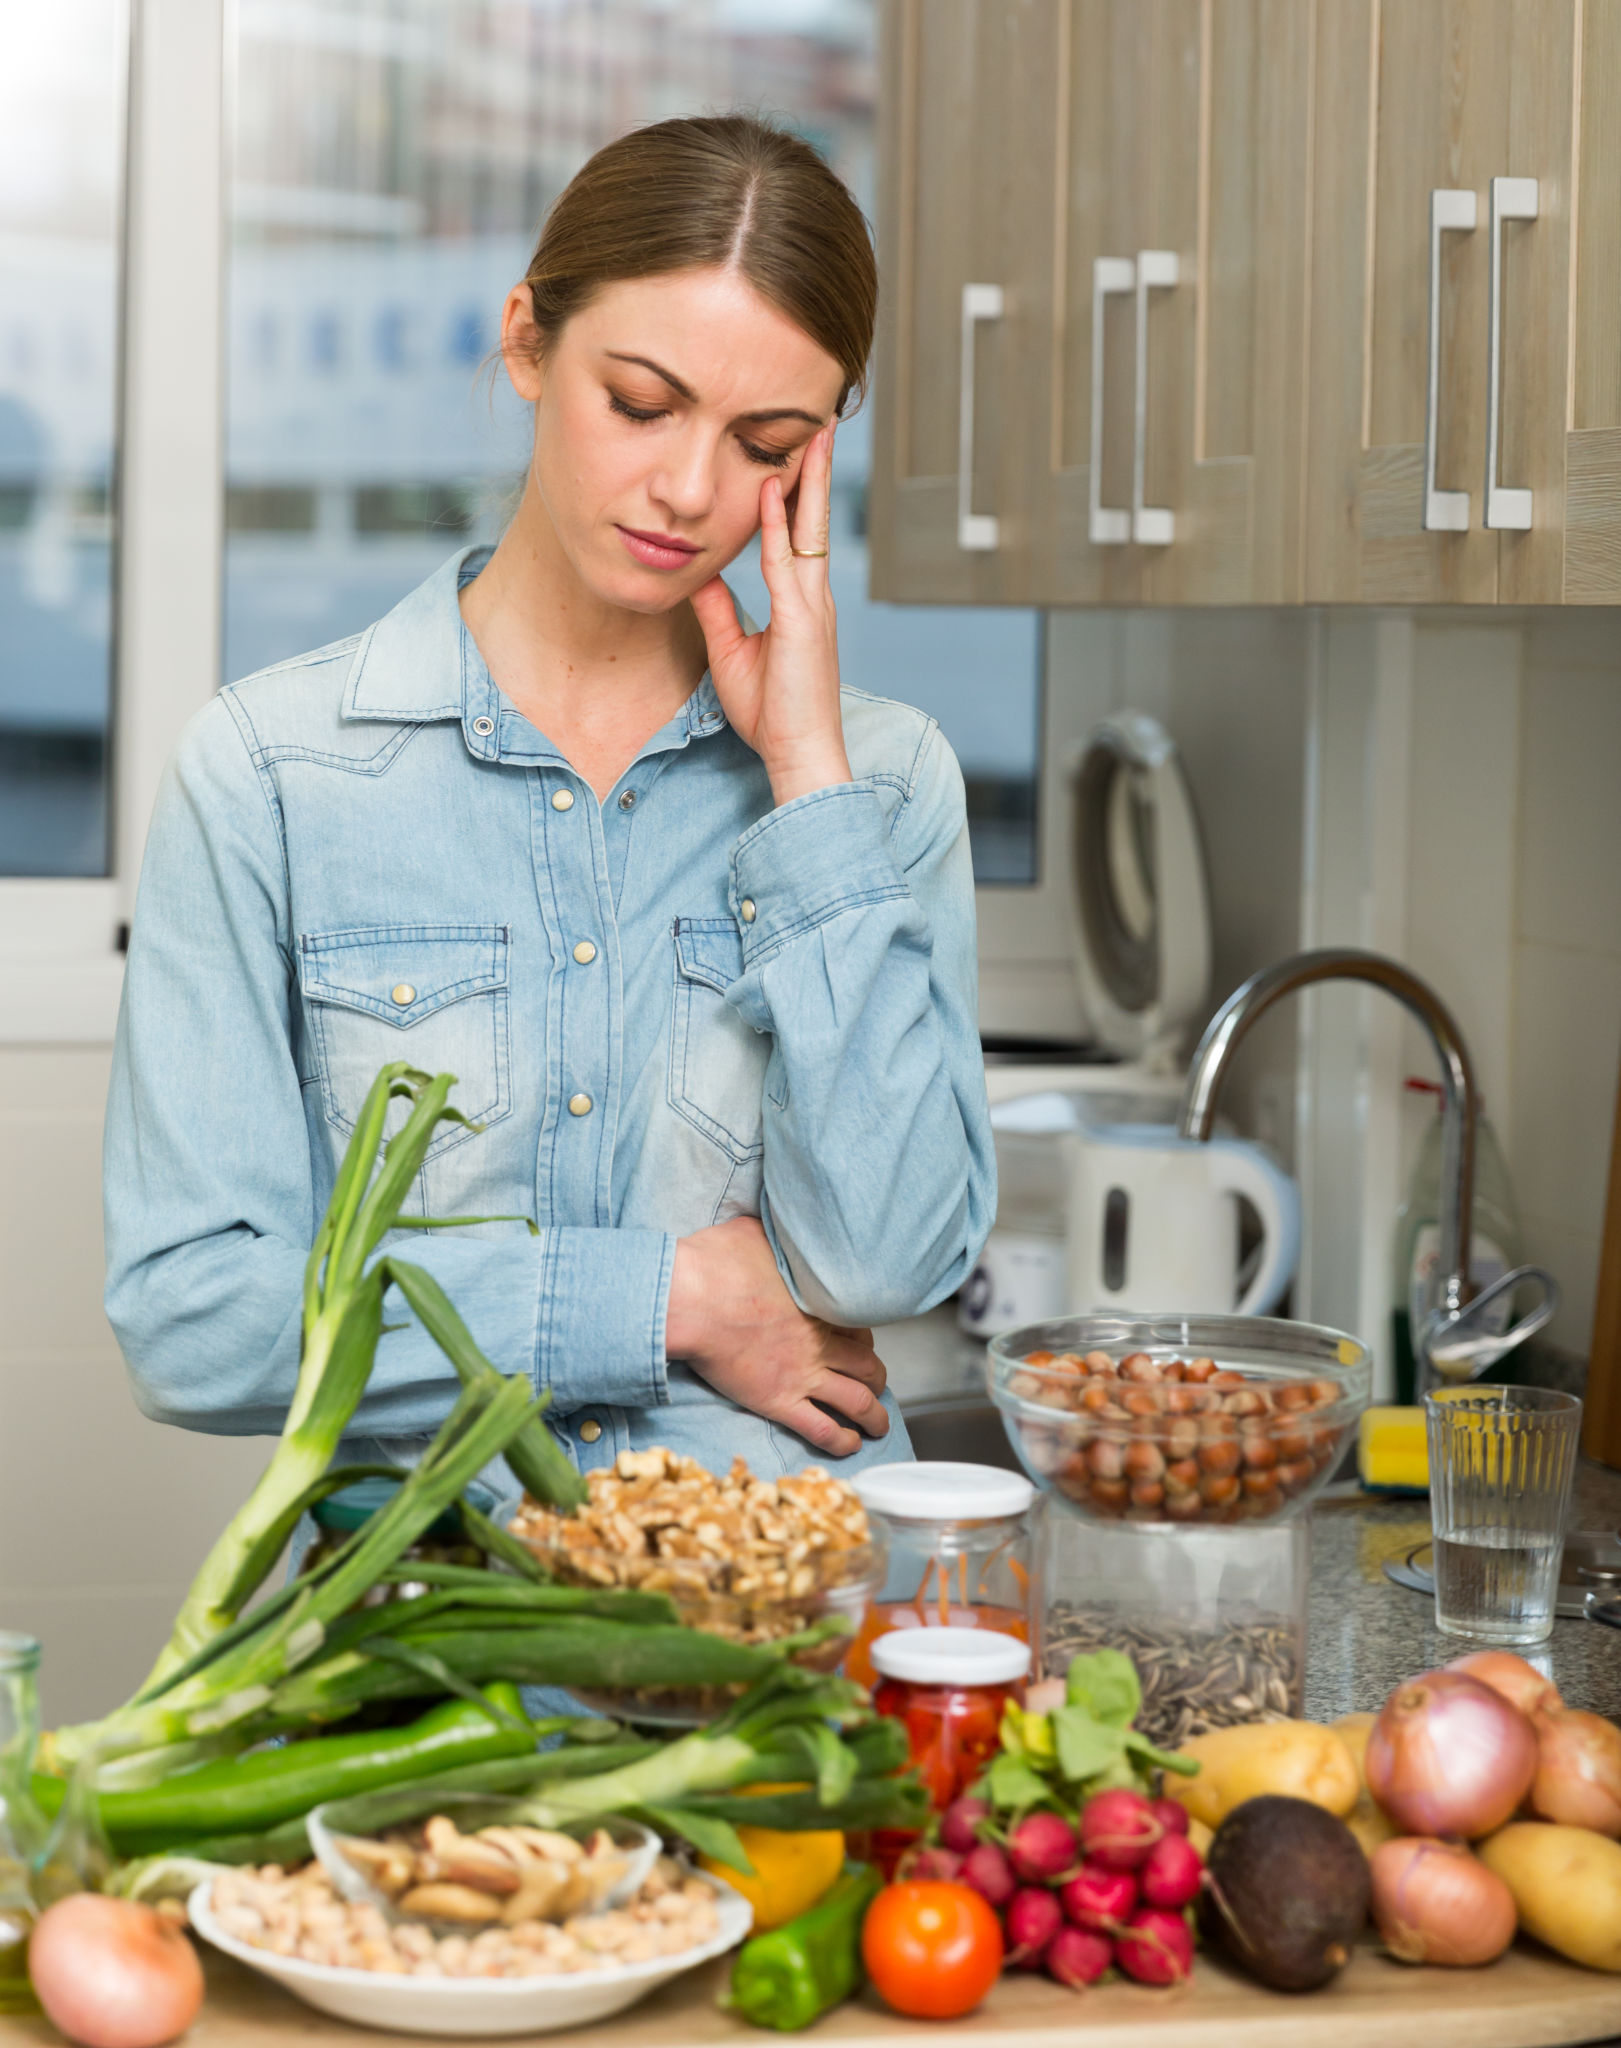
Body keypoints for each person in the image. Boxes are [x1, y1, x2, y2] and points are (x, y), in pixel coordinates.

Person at [104, 115, 994, 1509]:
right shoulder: (270, 773)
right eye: (640, 402)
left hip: (783, 1647)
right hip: (421, 1658)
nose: (690, 489)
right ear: (527, 341)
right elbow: (193, 1321)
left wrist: (806, 784)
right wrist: (666, 1302)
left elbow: (883, 1263)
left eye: (765, 441)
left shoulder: (879, 788)